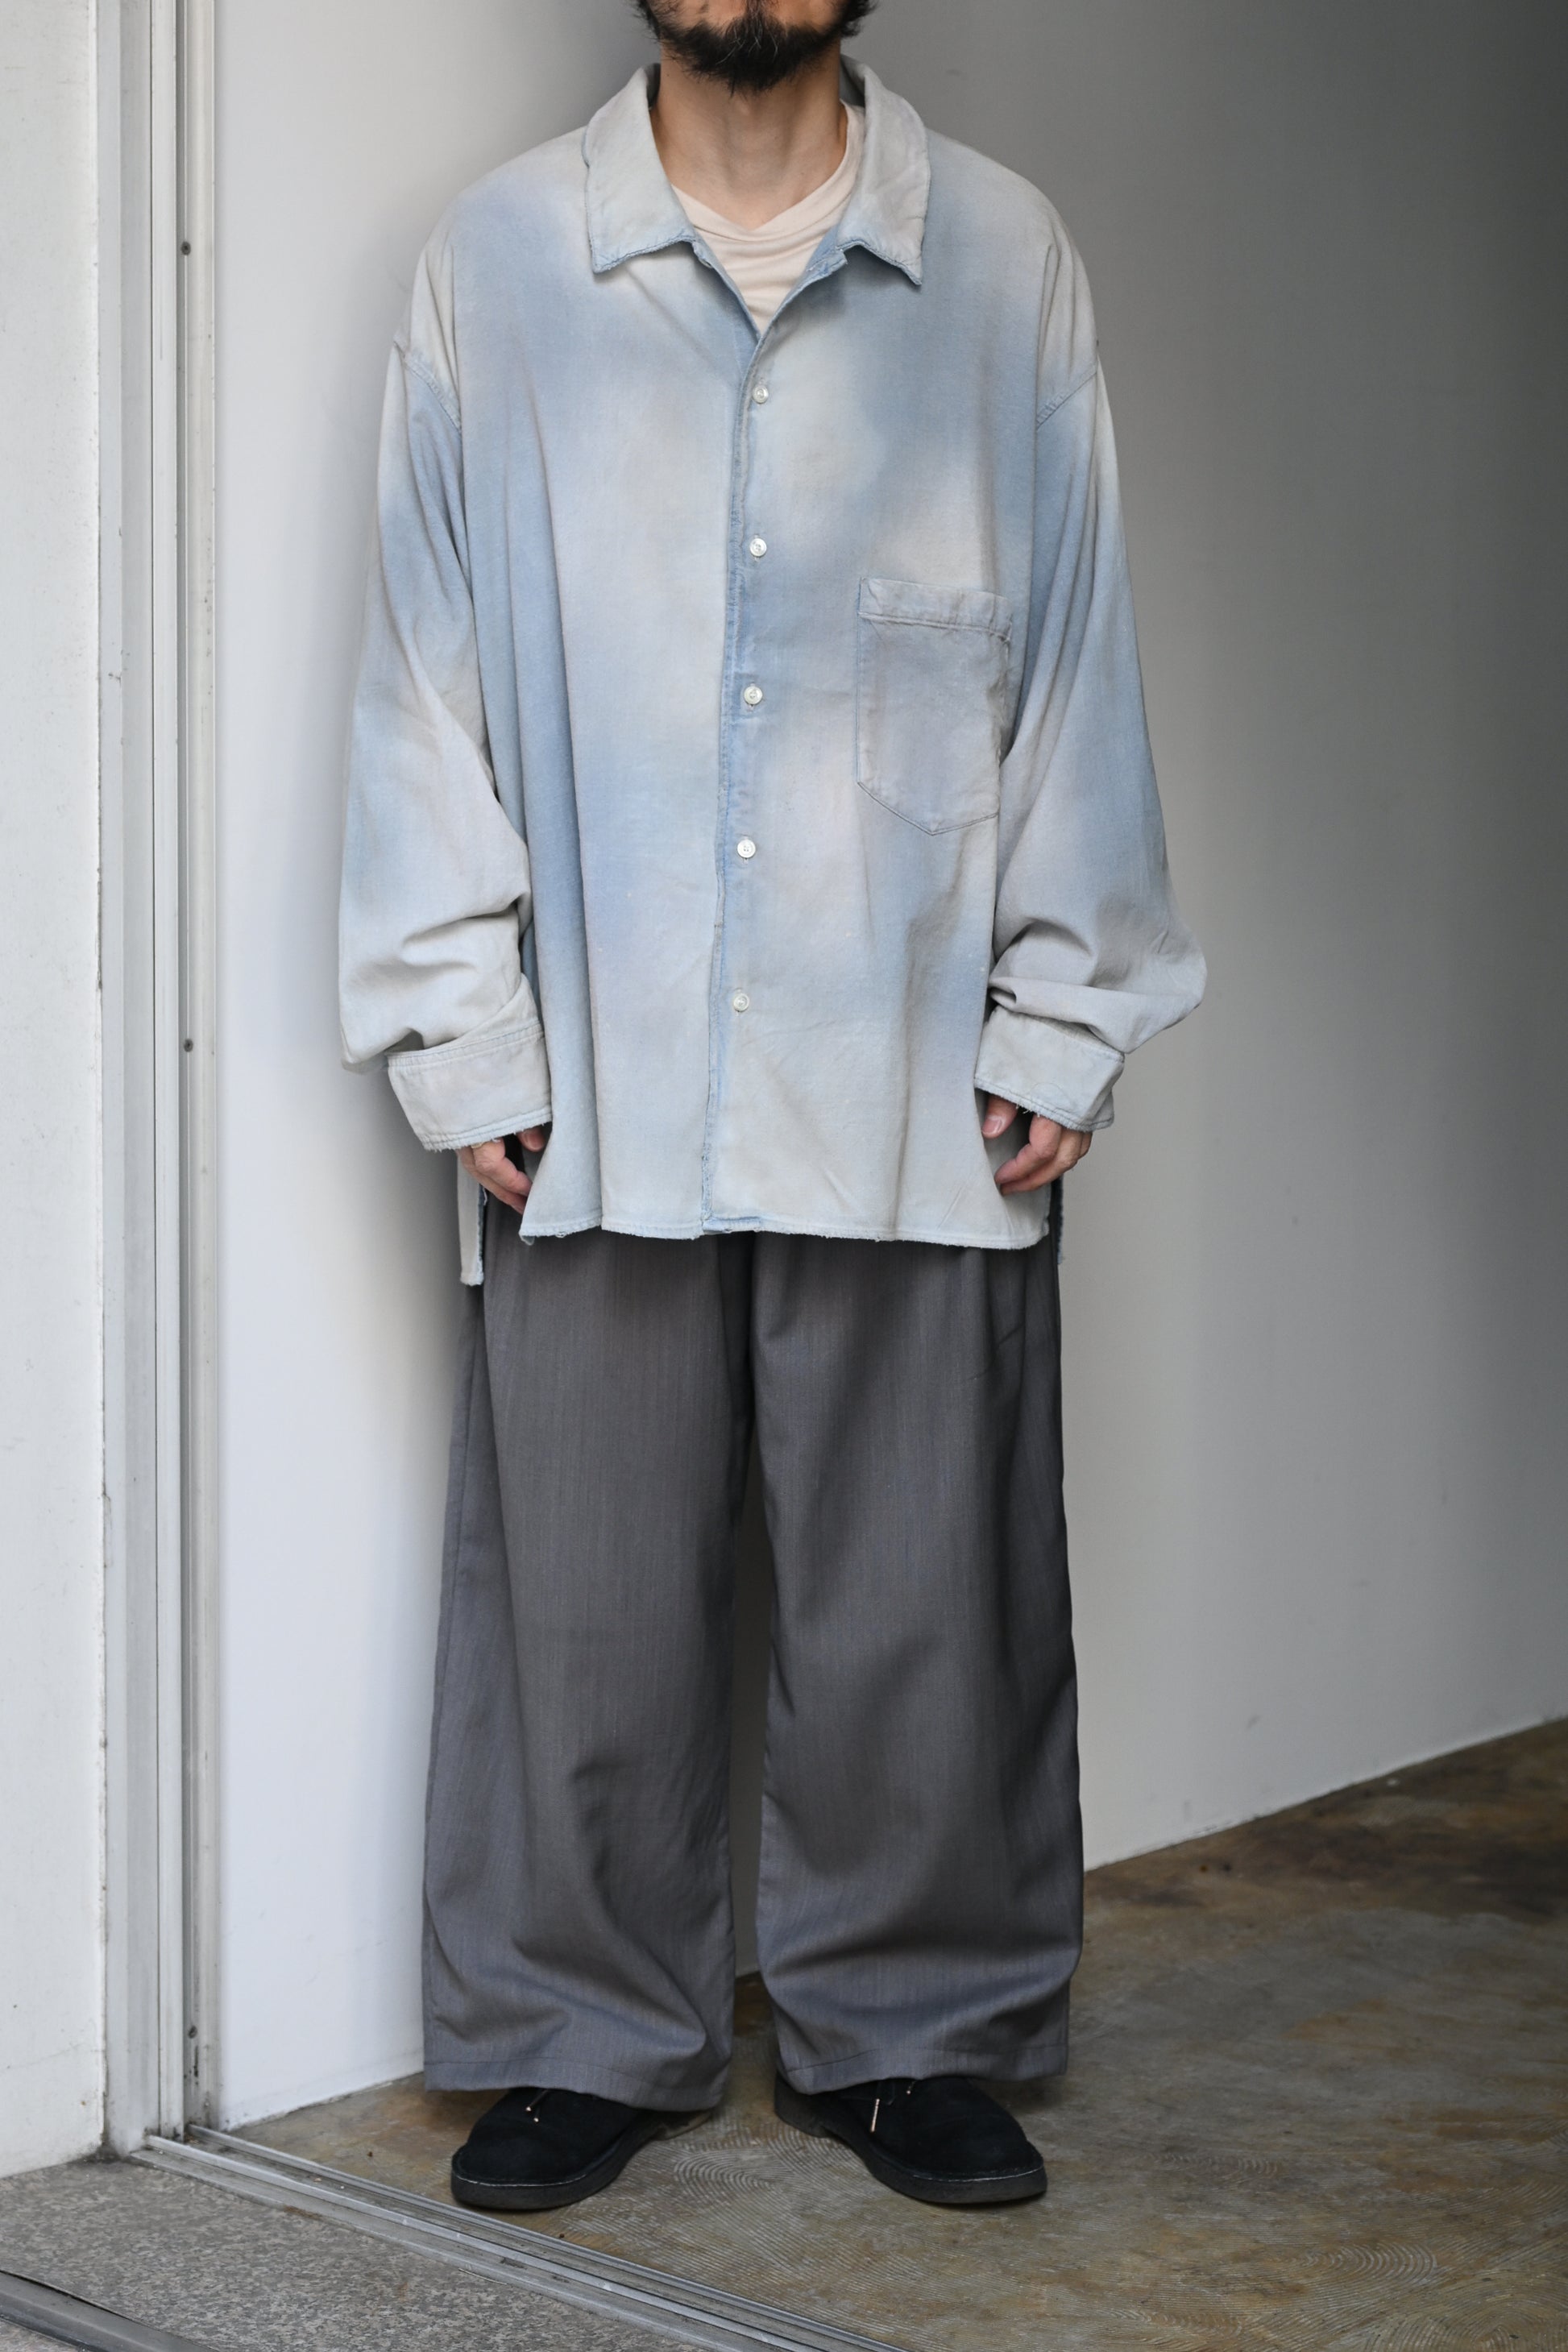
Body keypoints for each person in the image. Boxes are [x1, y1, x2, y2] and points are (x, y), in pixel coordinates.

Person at [338, 0, 1204, 2214]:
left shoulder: (1000, 260)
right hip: (596, 1061)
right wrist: (461, 1025)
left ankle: (913, 2027)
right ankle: (579, 2028)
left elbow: (1076, 652)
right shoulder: (502, 265)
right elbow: (423, 672)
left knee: (927, 1587)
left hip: (910, 1047)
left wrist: (1063, 1006)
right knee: (582, 1595)